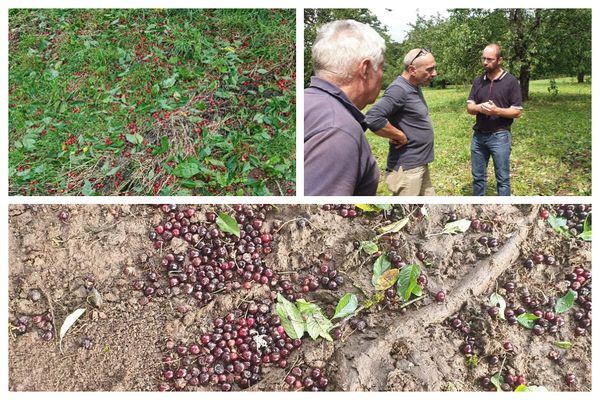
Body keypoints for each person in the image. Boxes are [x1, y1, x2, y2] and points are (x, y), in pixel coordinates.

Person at [304, 20, 405, 196]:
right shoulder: (337, 131)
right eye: (381, 67)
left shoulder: (307, 99)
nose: (383, 75)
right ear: (365, 69)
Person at [365, 48, 437, 196]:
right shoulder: (399, 89)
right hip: (407, 170)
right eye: (429, 70)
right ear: (412, 69)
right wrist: (399, 135)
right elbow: (373, 117)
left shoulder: (413, 86)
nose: (434, 73)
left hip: (419, 163)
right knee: (407, 211)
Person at [467, 43, 523, 196]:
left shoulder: (510, 82)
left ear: (500, 60)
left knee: (503, 179)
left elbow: (517, 112)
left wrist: (496, 110)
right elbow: (469, 107)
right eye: (483, 58)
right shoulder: (479, 81)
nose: (485, 62)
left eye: (490, 59)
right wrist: (480, 108)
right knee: (478, 178)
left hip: (500, 136)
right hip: (478, 137)